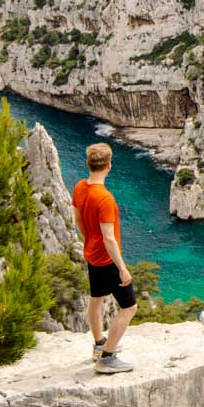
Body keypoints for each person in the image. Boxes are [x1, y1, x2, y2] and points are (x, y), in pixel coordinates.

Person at [72, 142, 137, 373]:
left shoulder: (80, 187)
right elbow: (109, 238)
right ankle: (107, 358)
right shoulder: (105, 199)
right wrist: (122, 268)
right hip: (107, 260)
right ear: (109, 165)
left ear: (88, 164)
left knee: (96, 299)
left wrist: (88, 240)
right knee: (129, 307)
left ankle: (99, 345)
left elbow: (78, 220)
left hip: (91, 255)